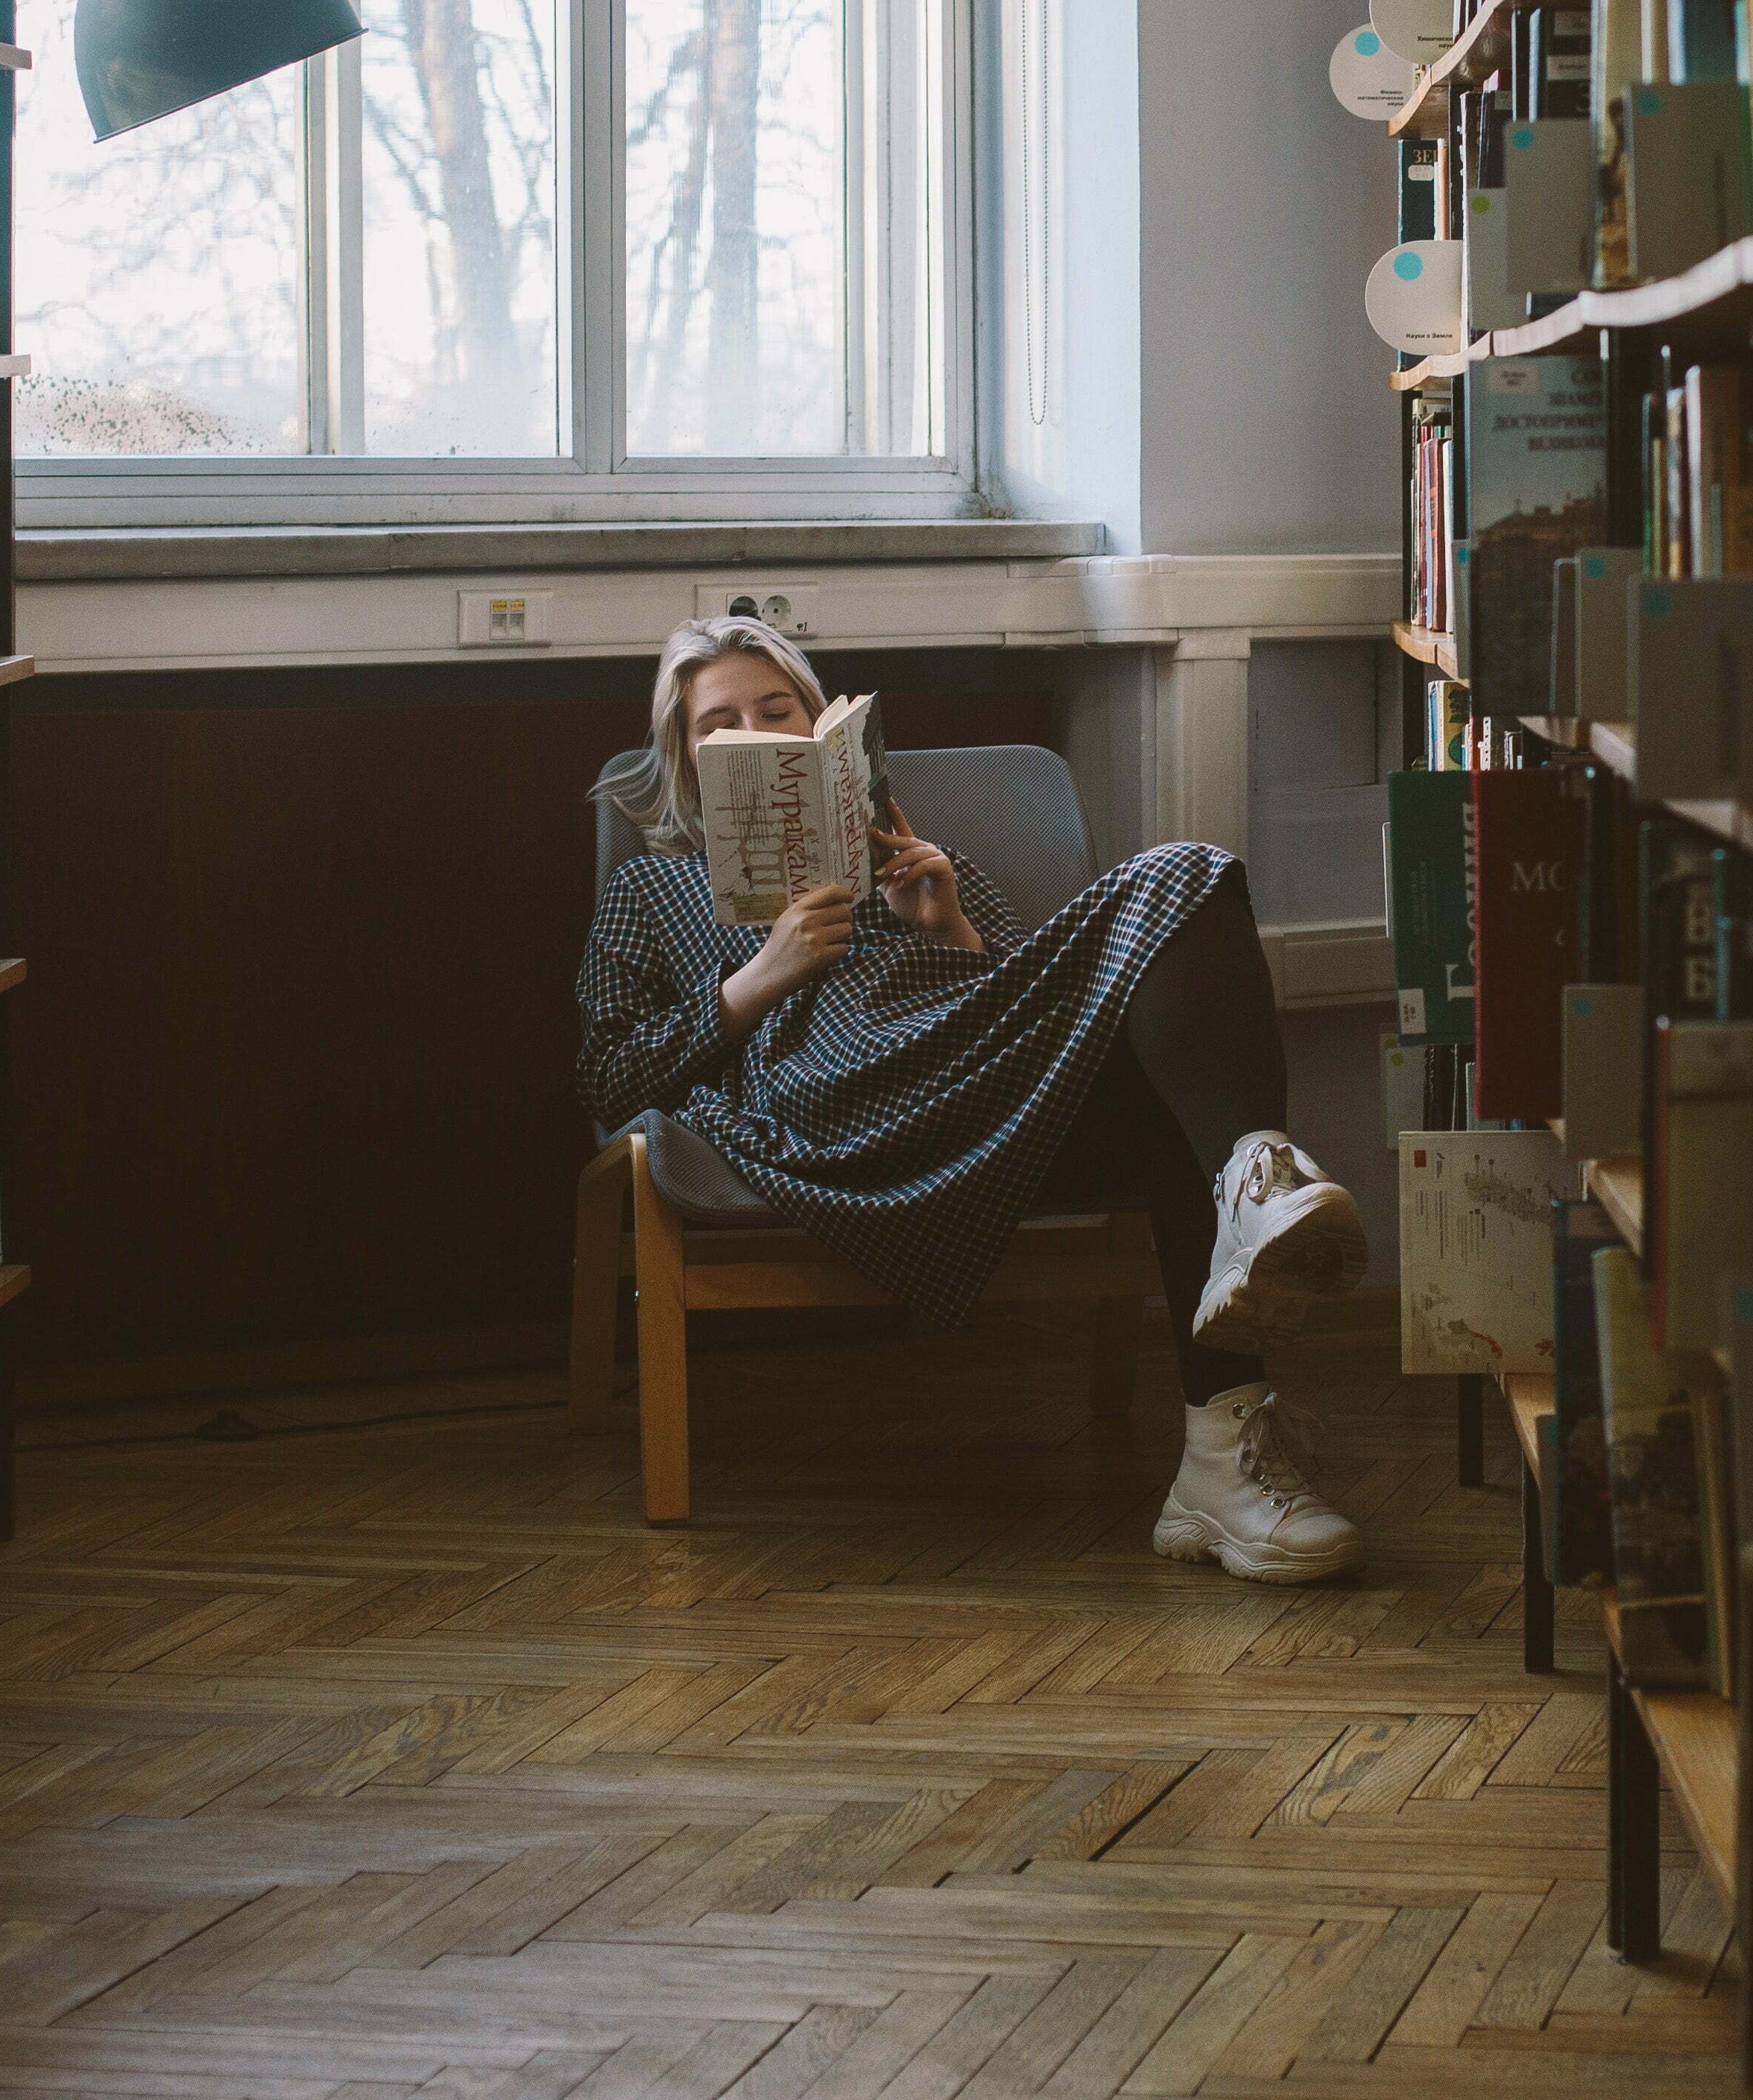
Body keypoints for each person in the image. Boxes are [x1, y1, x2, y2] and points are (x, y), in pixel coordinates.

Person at [576, 616, 1375, 1582]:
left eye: (777, 710)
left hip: (975, 1084)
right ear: (690, 761)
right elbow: (610, 1078)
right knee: (1174, 906)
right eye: (721, 724)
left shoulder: (912, 856)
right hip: (832, 1110)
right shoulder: (651, 888)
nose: (757, 729)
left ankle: (1221, 1461)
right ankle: (1255, 1185)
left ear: (821, 729)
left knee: (1190, 878)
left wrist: (947, 922)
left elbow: (1029, 1001)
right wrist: (758, 980)